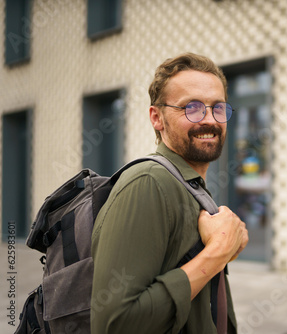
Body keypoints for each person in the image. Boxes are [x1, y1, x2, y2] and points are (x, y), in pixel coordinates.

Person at [91, 53, 249, 334]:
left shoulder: (187, 186)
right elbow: (115, 325)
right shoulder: (148, 184)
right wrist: (217, 252)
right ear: (157, 117)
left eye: (218, 108)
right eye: (192, 108)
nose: (210, 120)